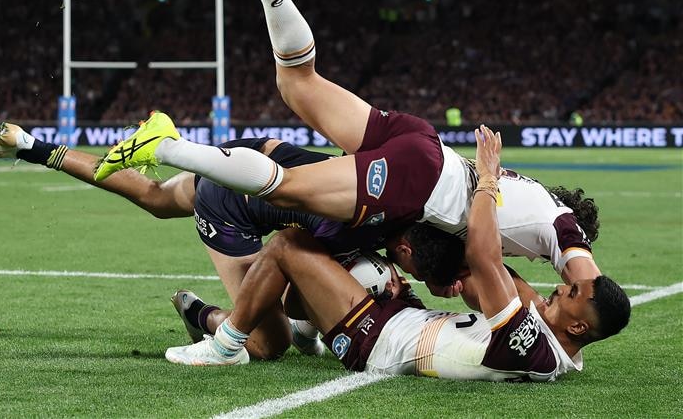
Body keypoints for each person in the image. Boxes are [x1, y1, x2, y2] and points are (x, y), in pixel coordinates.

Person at [92, 0, 602, 287]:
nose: (562, 285)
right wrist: (580, 302)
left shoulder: (528, 196)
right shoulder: (561, 229)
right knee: (286, 188)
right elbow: (587, 283)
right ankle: (168, 145)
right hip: (419, 181)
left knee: (297, 80)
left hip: (423, 144)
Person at [164, 125, 631, 383]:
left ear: (578, 324)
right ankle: (301, 326)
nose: (559, 284)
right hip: (402, 311)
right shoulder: (553, 346)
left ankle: (225, 342)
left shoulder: (531, 347)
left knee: (290, 247)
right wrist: (448, 278)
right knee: (342, 251)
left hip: (382, 341)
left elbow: (485, 261)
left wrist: (487, 179)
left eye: (569, 291)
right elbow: (478, 280)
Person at [0, 124, 463, 358]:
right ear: (404, 249)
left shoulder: (396, 203)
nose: (412, 279)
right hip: (231, 206)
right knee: (268, 342)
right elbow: (297, 287)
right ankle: (200, 313)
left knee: (153, 196)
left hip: (252, 159)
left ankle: (30, 145)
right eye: (417, 272)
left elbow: (285, 154)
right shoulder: (349, 225)